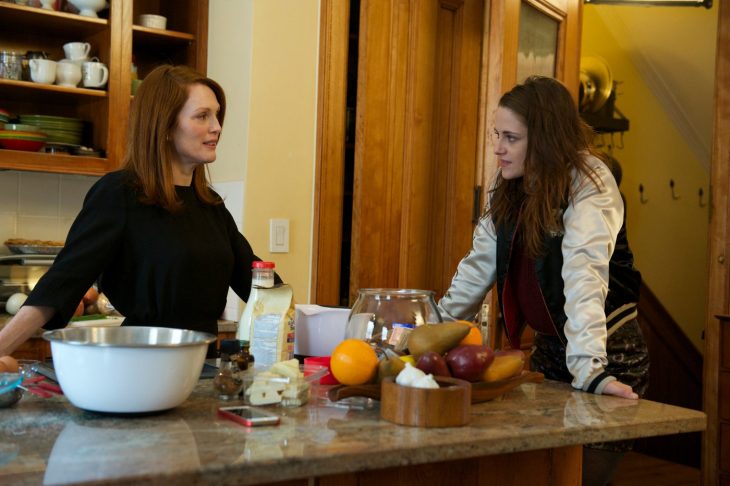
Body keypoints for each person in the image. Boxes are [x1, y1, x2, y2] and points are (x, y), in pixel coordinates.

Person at [436, 76, 649, 486]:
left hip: (607, 355)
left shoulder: (590, 182)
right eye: (497, 134)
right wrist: (433, 329)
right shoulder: (511, 184)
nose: (498, 147)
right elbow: (478, 266)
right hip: (551, 353)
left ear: (547, 139)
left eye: (511, 138)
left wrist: (590, 371)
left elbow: (584, 273)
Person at [0, 64, 277, 358]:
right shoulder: (118, 195)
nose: (217, 126)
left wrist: (313, 325)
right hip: (141, 363)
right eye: (202, 116)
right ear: (165, 126)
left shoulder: (210, 204)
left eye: (217, 115)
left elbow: (260, 284)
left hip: (203, 370)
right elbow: (61, 283)